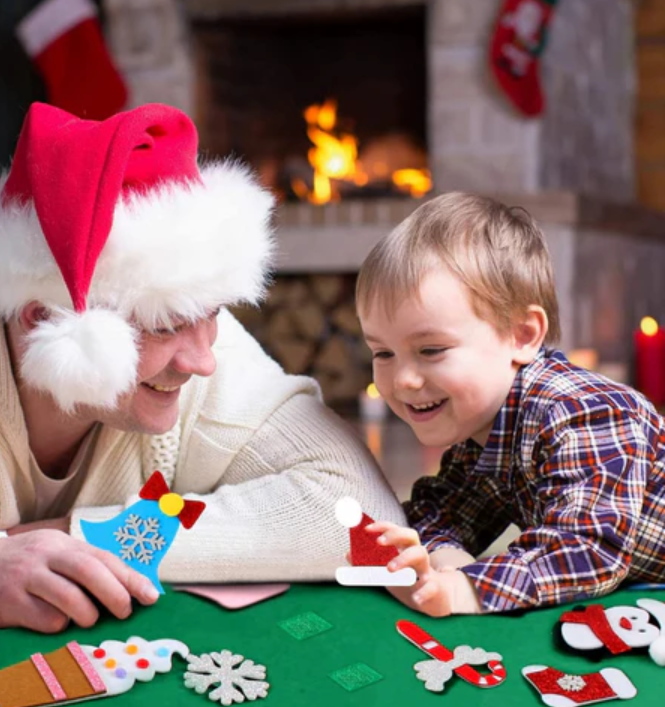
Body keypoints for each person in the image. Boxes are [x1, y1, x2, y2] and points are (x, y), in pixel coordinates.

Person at [0, 101, 405, 633]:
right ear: (43, 319)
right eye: (165, 326)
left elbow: (363, 516)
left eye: (211, 314)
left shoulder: (196, 329)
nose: (203, 361)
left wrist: (72, 537)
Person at [355, 192, 665, 617]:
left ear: (521, 336)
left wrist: (462, 590)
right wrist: (444, 562)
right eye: (383, 354)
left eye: (430, 350)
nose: (404, 380)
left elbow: (586, 549)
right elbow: (437, 511)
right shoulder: (483, 436)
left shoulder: (583, 413)